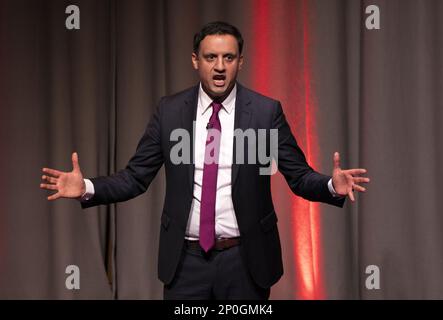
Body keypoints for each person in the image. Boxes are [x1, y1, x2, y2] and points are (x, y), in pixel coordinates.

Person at [40, 21, 369, 300]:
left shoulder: (266, 113)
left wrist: (331, 185)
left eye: (229, 57)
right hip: (185, 263)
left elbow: (299, 177)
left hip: (246, 261)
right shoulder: (169, 112)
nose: (220, 66)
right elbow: (135, 177)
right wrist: (86, 187)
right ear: (195, 60)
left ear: (241, 61)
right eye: (211, 57)